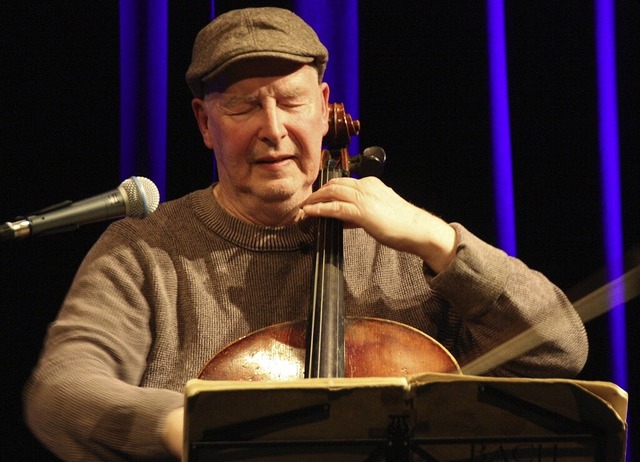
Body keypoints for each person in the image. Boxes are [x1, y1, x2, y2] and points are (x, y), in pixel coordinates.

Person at [23, 7, 588, 461]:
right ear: (203, 122)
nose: (273, 130)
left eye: (291, 101)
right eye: (244, 107)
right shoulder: (144, 252)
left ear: (323, 111)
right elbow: (63, 391)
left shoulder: (402, 250)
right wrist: (188, 425)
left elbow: (558, 349)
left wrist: (440, 241)